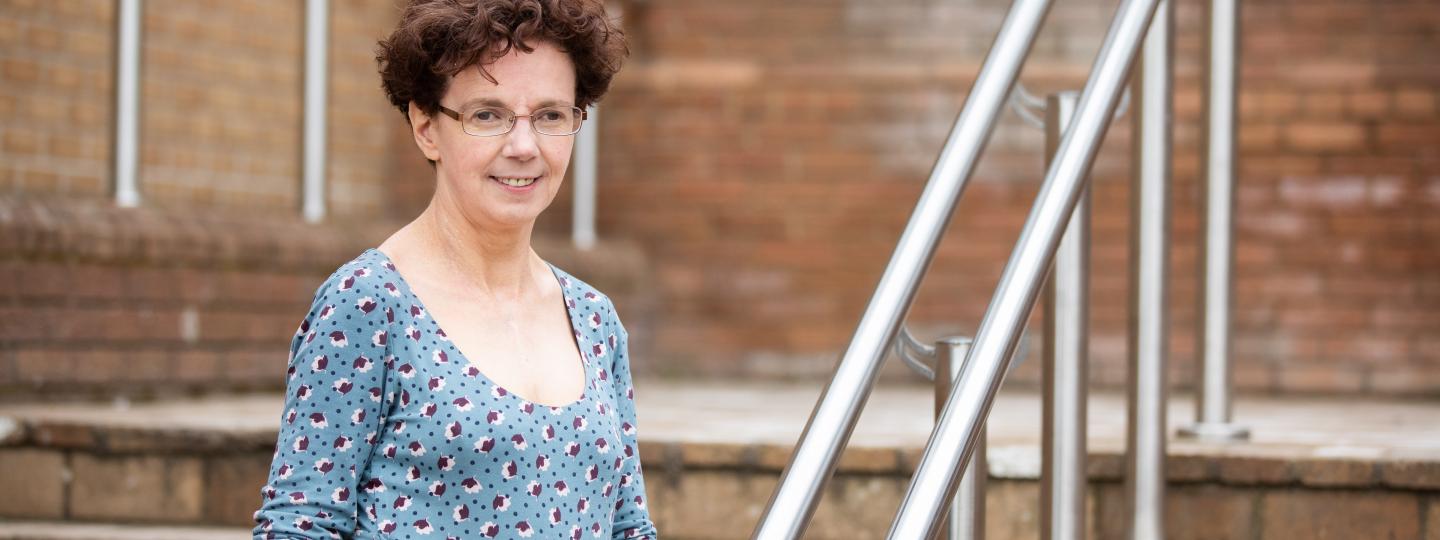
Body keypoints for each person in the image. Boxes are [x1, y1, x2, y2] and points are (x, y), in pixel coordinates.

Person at [253, 1, 655, 538]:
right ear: (426, 126)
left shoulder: (594, 318)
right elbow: (299, 526)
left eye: (550, 116)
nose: (523, 146)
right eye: (486, 115)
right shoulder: (367, 305)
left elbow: (628, 526)